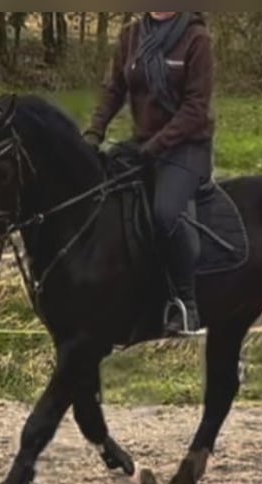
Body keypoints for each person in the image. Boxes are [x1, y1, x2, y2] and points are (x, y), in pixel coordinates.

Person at [83, 11, 215, 336]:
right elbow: (113, 89)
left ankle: (186, 305)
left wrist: (156, 145)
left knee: (165, 213)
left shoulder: (197, 39)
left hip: (186, 147)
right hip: (143, 145)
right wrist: (93, 133)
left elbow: (196, 108)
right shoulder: (131, 36)